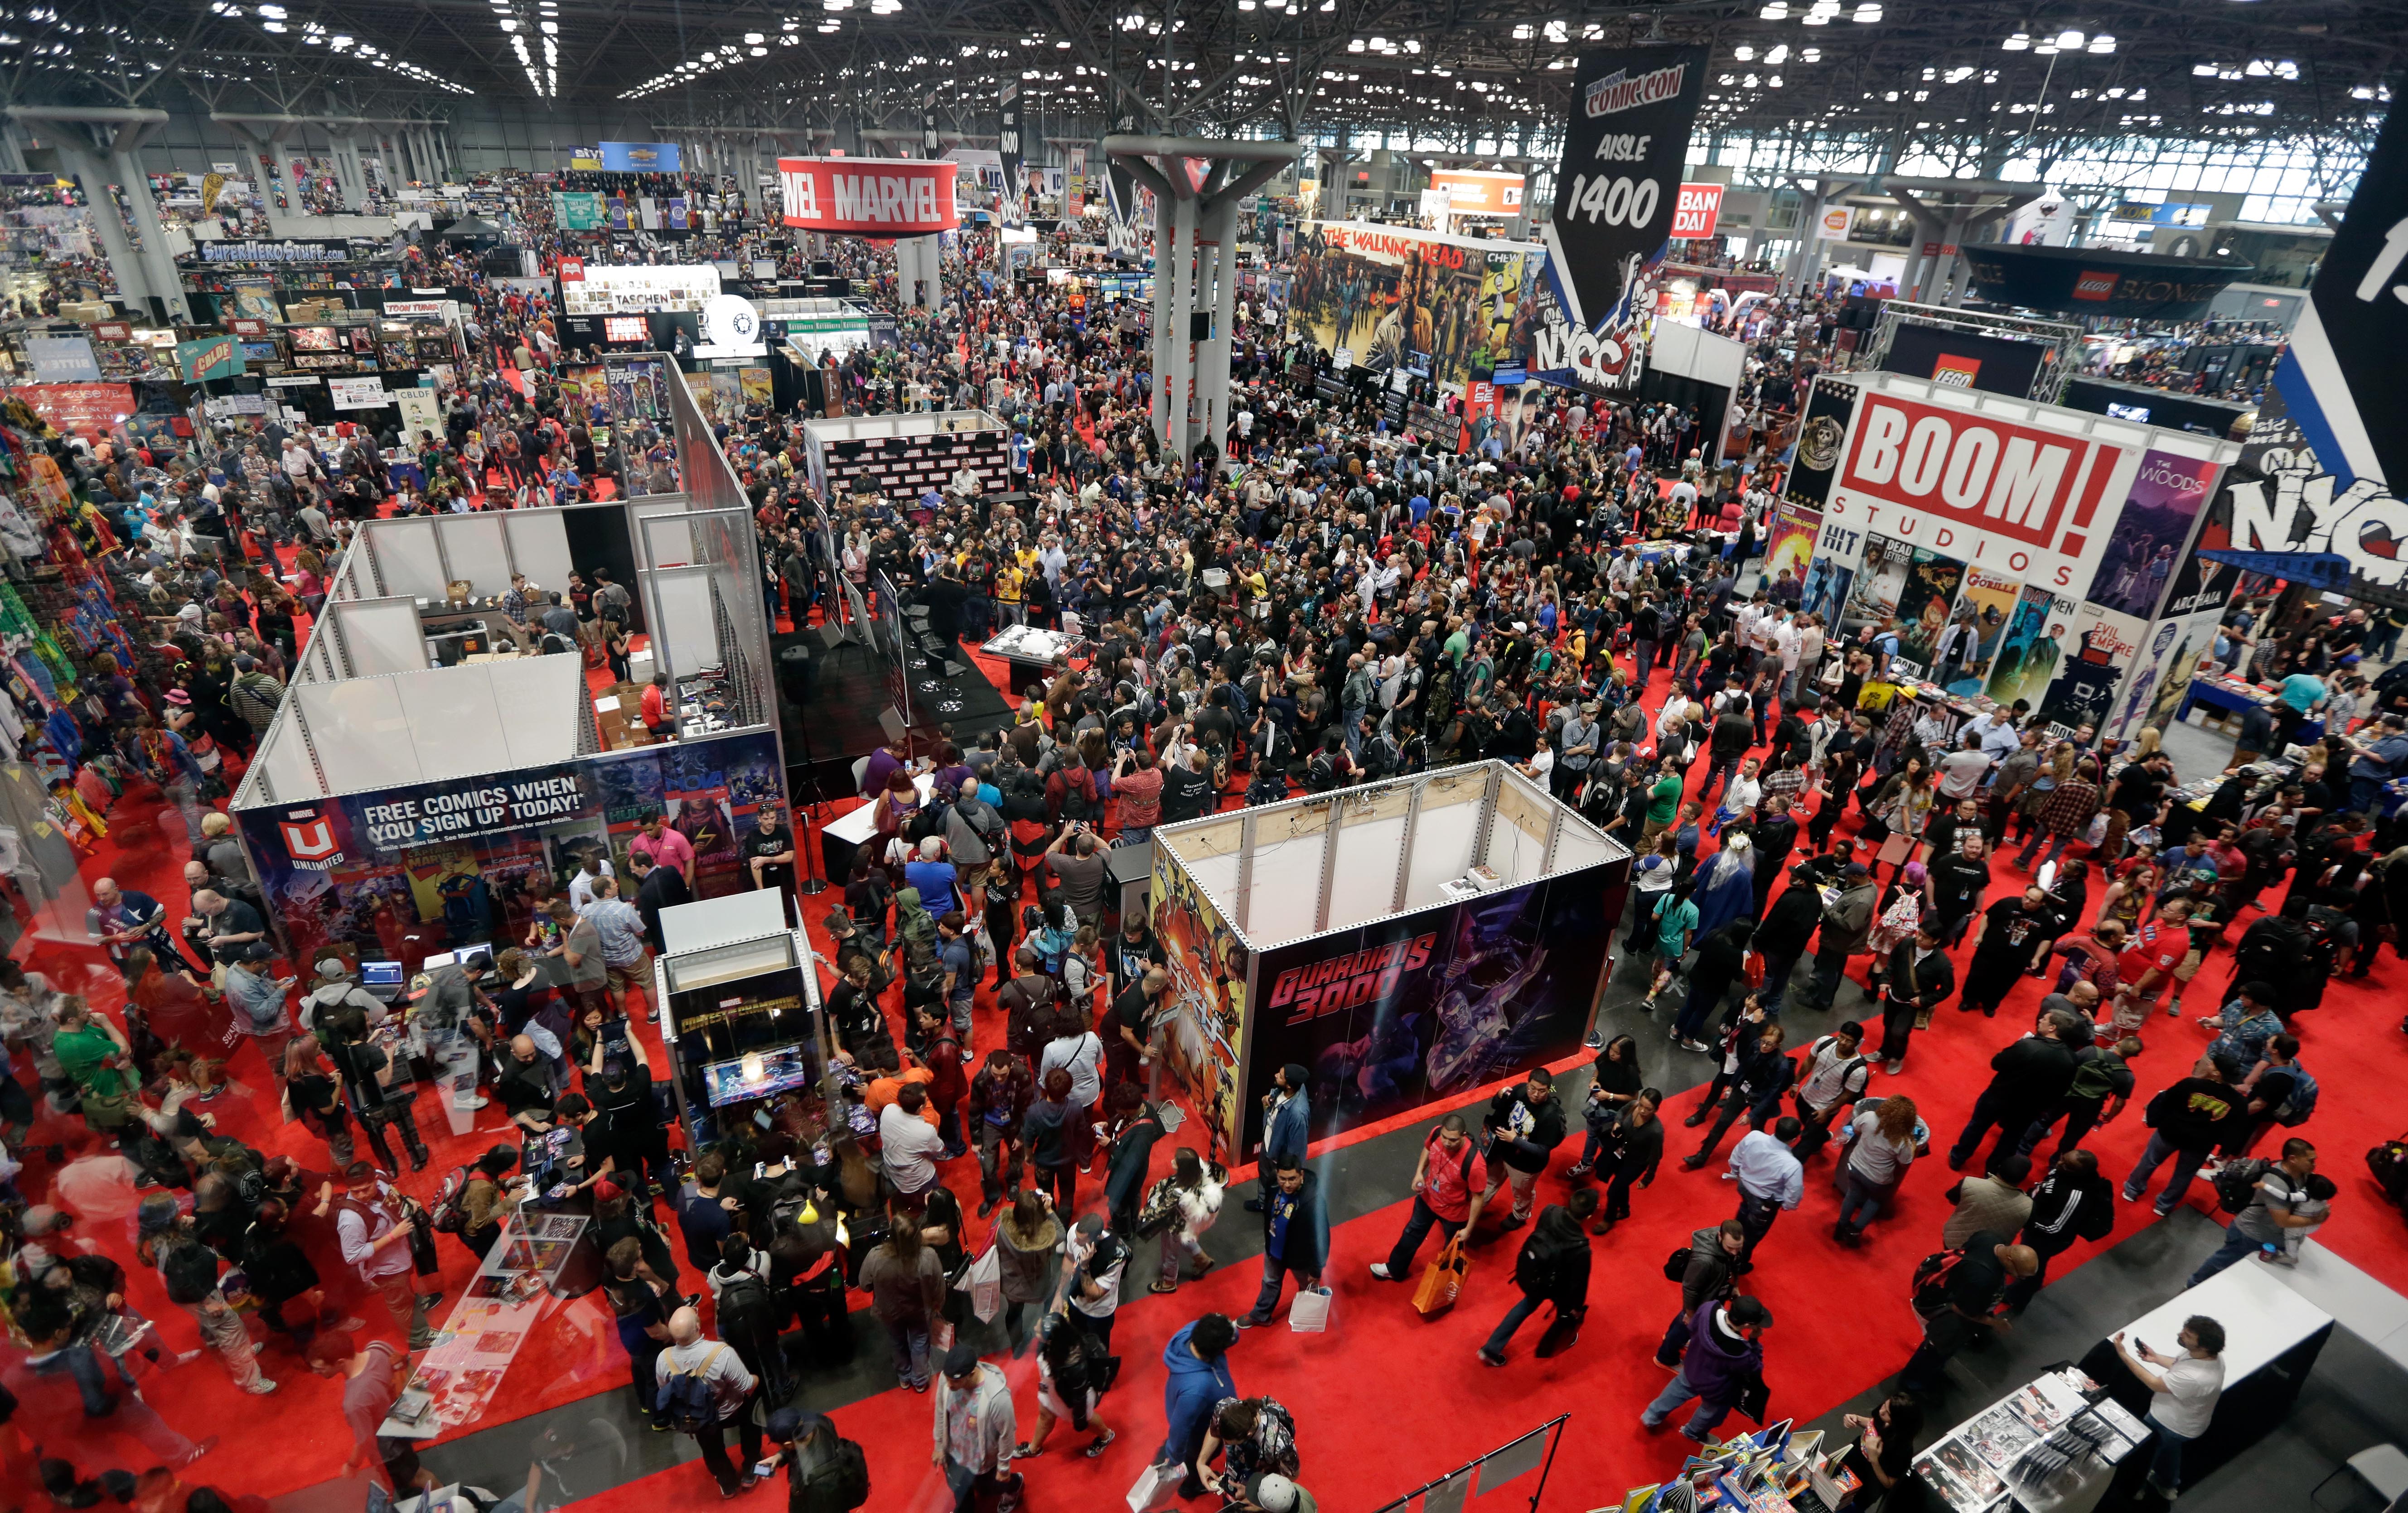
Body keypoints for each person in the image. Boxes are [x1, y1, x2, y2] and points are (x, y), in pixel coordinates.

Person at [1900, 1232, 2037, 1397]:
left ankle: (1929, 1373)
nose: (2019, 1278)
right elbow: (1962, 1310)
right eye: (2019, 1274)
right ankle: (1912, 1383)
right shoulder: (1983, 1279)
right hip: (1952, 1318)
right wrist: (1996, 1323)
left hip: (1960, 1296)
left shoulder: (1992, 1239)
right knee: (1935, 1351)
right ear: (2009, 1259)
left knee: (1940, 1353)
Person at [1947, 1010, 2081, 1172]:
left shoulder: (2028, 1045)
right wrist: (2042, 1109)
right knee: (2010, 1140)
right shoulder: (2072, 1059)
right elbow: (2061, 1091)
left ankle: (1958, 1158)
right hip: (2029, 1108)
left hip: (1998, 1098)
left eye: (2045, 1019)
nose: (2040, 1020)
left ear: (2052, 1028)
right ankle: (1993, 1171)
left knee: (1977, 1127)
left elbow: (1997, 1063)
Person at [654, 1305, 764, 1499]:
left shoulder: (664, 1359)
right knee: (752, 1413)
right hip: (731, 1411)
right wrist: (757, 1379)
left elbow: (665, 1389)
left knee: (711, 1449)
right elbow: (747, 1387)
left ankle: (727, 1483)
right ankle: (752, 1468)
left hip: (698, 1418)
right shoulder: (722, 1353)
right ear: (698, 1326)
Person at [2113, 1316, 2226, 1502]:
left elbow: (2154, 1383)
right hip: (2184, 1423)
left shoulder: (2196, 1377)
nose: (2180, 1334)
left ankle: (2135, 1488)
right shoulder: (2207, 1356)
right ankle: (2168, 1485)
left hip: (2169, 1423)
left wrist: (2123, 1355)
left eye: (2187, 1335)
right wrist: (2156, 1358)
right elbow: (2179, 1365)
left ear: (2204, 1347)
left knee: (2144, 1457)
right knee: (2169, 1452)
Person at [1478, 1188, 1597, 1365]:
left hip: (1535, 1273)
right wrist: (1577, 1308)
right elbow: (1579, 1285)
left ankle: (1491, 1349)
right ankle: (1562, 1338)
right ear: (1589, 1216)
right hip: (1558, 1286)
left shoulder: (1550, 1211)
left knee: (1526, 1306)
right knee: (1565, 1310)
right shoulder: (1581, 1248)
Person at [324, 1159, 434, 1350]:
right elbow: (352, 1256)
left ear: (375, 1180)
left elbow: (392, 1195)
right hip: (386, 1268)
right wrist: (393, 1236)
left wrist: (407, 1200)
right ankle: (419, 1339)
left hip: (402, 1254)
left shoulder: (381, 1178)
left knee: (405, 1291)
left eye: (366, 1189)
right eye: (355, 1191)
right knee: (400, 1303)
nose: (361, 1195)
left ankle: (414, 1302)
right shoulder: (350, 1220)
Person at [305, 1328, 427, 1497]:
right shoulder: (377, 1347)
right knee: (414, 1476)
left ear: (341, 1362)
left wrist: (352, 1465)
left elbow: (365, 1440)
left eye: (320, 1368)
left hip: (389, 1449)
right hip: (402, 1422)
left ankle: (450, 1499)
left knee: (416, 1479)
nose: (315, 1373)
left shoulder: (355, 1401)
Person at [1371, 1113, 1489, 1281]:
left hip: (1454, 1214)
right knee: (1412, 1233)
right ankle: (1395, 1269)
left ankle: (1446, 1282)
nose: (1447, 1143)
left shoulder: (1475, 1163)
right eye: (1445, 1137)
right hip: (1428, 1199)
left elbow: (1478, 1196)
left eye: (1453, 1140)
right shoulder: (1436, 1134)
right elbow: (1427, 1149)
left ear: (1463, 1136)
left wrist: (1469, 1229)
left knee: (1452, 1250)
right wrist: (1419, 1173)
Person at [2121, 1055, 2241, 1216]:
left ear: (2216, 1072)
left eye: (2212, 1065)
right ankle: (2164, 1206)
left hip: (2171, 1131)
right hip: (2201, 1143)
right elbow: (2235, 1128)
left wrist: (2159, 1119)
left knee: (2150, 1161)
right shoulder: (2238, 1102)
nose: (2209, 1065)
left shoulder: (2191, 1084)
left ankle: (2132, 1190)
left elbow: (2167, 1100)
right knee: (2184, 1174)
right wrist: (2225, 1148)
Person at [1641, 1294, 1770, 1444]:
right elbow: (1754, 1368)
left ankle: (1651, 1415)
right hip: (1716, 1387)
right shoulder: (1741, 1351)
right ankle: (1693, 1432)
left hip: (1692, 1367)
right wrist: (1754, 1341)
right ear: (1747, 1324)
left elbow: (1692, 1328)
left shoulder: (1710, 1308)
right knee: (1712, 1411)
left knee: (1675, 1391)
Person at [2187, 1137, 2319, 1284]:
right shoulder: (2276, 1182)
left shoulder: (2302, 1175)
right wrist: (2318, 1219)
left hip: (2270, 1235)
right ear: (2293, 1159)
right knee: (2220, 1264)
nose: (2314, 1164)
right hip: (2250, 1236)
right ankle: (2192, 1285)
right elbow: (2282, 1221)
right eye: (2311, 1161)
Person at [2005, 1148, 2116, 1308]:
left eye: (2066, 1165)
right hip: (2037, 1224)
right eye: (2063, 1158)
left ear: (2079, 1173)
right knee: (2027, 1256)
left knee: (2034, 1267)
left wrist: (2029, 1221)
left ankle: (2017, 1297)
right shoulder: (2063, 1172)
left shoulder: (2076, 1196)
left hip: (2047, 1239)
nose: (2059, 1163)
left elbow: (2056, 1228)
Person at [860, 1206, 947, 1391]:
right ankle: (920, 1380)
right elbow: (938, 1286)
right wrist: (939, 1303)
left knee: (897, 1341)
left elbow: (864, 1285)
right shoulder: (928, 1257)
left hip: (889, 1310)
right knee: (920, 1342)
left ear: (891, 1236)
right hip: (919, 1311)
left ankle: (905, 1377)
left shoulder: (875, 1256)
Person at [1237, 1158, 1328, 1329]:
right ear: (1277, 1175)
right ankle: (1260, 1315)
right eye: (1283, 1179)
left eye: (1292, 1179)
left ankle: (1309, 1315)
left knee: (1309, 1286)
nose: (1287, 1184)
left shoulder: (1313, 1200)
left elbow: (1321, 1238)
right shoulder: (1273, 1182)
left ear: (1301, 1175)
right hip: (1274, 1248)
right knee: (1269, 1281)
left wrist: (1317, 1269)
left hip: (1300, 1256)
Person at [1159, 1313, 1241, 1501]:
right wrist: (1175, 1459)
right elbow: (1180, 1428)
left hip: (1194, 1414)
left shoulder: (1193, 1333)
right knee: (1195, 1459)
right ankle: (1190, 1487)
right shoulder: (1196, 1390)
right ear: (1216, 1352)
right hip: (1200, 1433)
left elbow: (1234, 1335)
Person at [932, 1342, 1019, 1513]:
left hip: (983, 1459)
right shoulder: (946, 1379)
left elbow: (1007, 1434)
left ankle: (1015, 1485)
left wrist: (1004, 1468)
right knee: (959, 1490)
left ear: (971, 1374)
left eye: (955, 1381)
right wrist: (939, 1446)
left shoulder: (997, 1398)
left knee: (991, 1488)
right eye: (948, 1379)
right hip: (955, 1453)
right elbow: (941, 1411)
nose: (949, 1385)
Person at [1479, 1066, 1567, 1227]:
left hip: (1525, 1165)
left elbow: (1543, 1151)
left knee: (1522, 1193)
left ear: (1549, 1090)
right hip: (1501, 1151)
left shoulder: (1552, 1116)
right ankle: (1474, 1208)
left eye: (1542, 1091)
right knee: (1490, 1181)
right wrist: (1499, 1096)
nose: (1535, 1094)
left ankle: (1520, 1216)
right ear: (1528, 1084)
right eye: (1532, 1088)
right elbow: (1497, 1106)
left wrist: (1515, 1140)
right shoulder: (1520, 1091)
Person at [1656, 1219, 1746, 1366]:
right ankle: (1666, 1358)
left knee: (1682, 1324)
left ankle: (1671, 1337)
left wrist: (1734, 1287)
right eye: (1730, 1248)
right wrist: (1691, 1314)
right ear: (1720, 1236)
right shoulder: (1704, 1260)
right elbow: (1690, 1289)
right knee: (1685, 1325)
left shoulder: (1732, 1245)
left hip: (1714, 1295)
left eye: (1739, 1248)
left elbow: (1735, 1265)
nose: (1735, 1252)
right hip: (1700, 1303)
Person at [1834, 1094, 1920, 1244]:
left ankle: (1840, 1228)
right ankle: (1854, 1232)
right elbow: (1904, 1163)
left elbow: (1856, 1130)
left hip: (1855, 1166)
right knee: (1874, 1201)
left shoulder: (1869, 1117)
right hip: (1878, 1179)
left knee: (1852, 1195)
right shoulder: (1904, 1141)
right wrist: (1912, 1146)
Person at [1145, 1145, 1227, 1294]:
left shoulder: (1178, 1192)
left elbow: (1160, 1211)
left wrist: (1144, 1213)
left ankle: (1169, 1282)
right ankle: (1202, 1260)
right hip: (1189, 1224)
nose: (1172, 1162)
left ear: (1183, 1168)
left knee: (1169, 1252)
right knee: (1186, 1239)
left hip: (1175, 1225)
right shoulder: (1198, 1175)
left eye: (1176, 1161)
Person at [1727, 1115, 1804, 1267]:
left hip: (1744, 1187)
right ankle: (1739, 1264)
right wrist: (1788, 1205)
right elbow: (1794, 1192)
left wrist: (1735, 1173)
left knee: (1743, 1214)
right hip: (1764, 1203)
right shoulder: (1792, 1165)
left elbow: (1736, 1156)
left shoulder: (1754, 1136)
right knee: (1753, 1234)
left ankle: (1730, 1243)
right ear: (1795, 1139)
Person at [1837, 1393, 1925, 1512]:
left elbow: (1889, 1483)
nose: (1882, 1411)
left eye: (1888, 1413)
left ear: (1898, 1421)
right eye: (1884, 1405)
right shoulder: (1883, 1413)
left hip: (1864, 1487)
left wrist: (1874, 1459)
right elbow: (1873, 1423)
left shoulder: (1903, 1450)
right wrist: (1856, 1419)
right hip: (1848, 1462)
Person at [1247, 1062, 1310, 1212]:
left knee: (1279, 1187)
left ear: (1289, 1086)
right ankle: (1262, 1203)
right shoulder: (1292, 1087)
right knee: (1264, 1177)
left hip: (1279, 1159)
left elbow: (1297, 1151)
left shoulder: (1298, 1115)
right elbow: (1277, 1095)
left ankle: (1276, 1211)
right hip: (1269, 1146)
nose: (1276, 1075)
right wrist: (1269, 1099)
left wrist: (1287, 1169)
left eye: (1280, 1076)